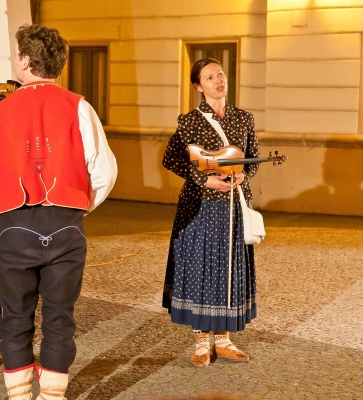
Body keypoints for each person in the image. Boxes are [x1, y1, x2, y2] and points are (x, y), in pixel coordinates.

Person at [0, 24, 117, 400]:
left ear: (26, 60)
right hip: (66, 226)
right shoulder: (79, 106)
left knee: (15, 320)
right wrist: (75, 208)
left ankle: (19, 397)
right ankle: (52, 397)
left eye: (17, 54)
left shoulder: (1, 111)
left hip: (14, 227)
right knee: (59, 320)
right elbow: (104, 173)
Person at [162, 58, 259, 367]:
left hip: (233, 205)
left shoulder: (243, 119)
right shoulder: (188, 121)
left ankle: (224, 340)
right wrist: (205, 179)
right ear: (197, 86)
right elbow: (173, 160)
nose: (218, 80)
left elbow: (252, 159)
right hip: (200, 206)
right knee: (201, 269)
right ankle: (202, 343)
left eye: (220, 74)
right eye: (209, 77)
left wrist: (244, 176)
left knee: (228, 269)